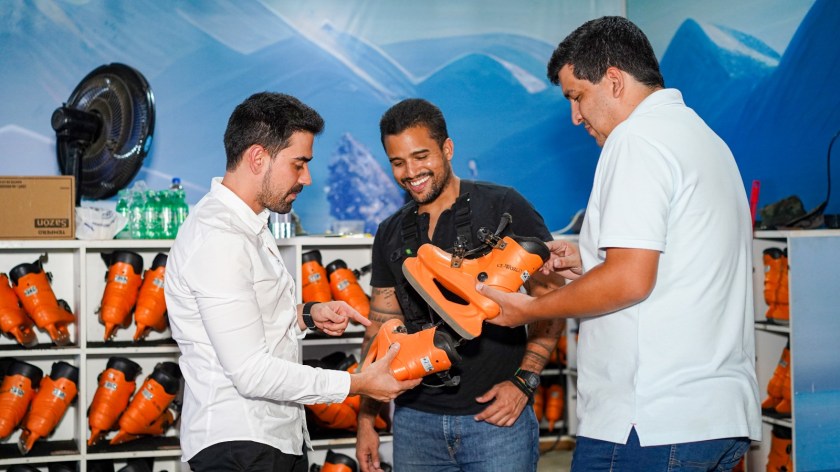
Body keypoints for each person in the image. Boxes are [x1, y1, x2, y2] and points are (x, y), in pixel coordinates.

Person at [477, 16, 762, 471]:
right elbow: (675, 263)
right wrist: (590, 260)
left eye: (576, 96)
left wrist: (528, 309)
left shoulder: (635, 139)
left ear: (613, 80)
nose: (575, 117)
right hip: (714, 418)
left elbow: (629, 280)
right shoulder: (704, 140)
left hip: (648, 423)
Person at [164, 92, 421, 472]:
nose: (307, 178)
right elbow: (251, 373)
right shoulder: (220, 239)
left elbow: (254, 318)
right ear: (257, 158)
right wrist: (358, 383)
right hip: (241, 446)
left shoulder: (249, 225)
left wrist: (308, 314)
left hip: (270, 438)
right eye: (298, 164)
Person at [354, 98, 566, 472]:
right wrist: (366, 419)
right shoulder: (389, 231)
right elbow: (380, 328)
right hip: (414, 423)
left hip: (497, 421)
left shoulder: (504, 205)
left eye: (421, 156)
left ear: (447, 149)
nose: (410, 172)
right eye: (398, 162)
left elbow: (551, 298)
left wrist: (524, 382)